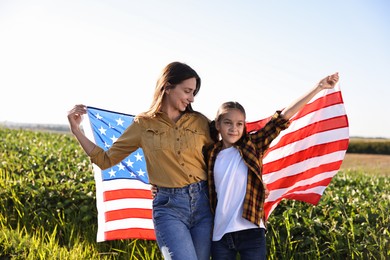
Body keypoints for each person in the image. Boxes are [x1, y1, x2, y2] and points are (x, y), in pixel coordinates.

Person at [67, 62, 215, 260]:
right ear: (168, 87)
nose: (191, 98)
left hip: (203, 205)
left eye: (194, 92)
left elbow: (224, 156)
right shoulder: (143, 124)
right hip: (169, 208)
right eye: (187, 91)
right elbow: (105, 160)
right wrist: (77, 130)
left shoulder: (201, 122)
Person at [204, 73, 339, 260]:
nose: (233, 128)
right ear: (218, 124)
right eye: (228, 123)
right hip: (220, 234)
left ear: (244, 126)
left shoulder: (252, 145)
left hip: (251, 230)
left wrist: (318, 87)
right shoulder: (210, 153)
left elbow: (281, 119)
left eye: (239, 124)